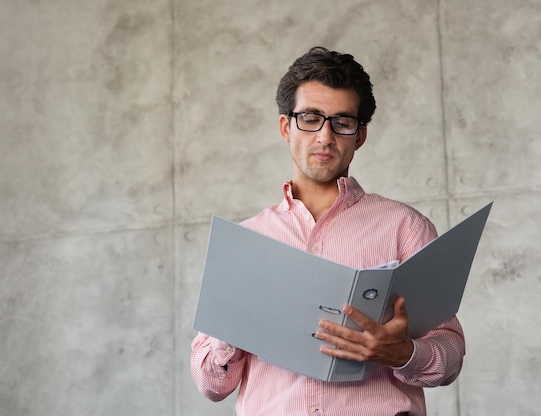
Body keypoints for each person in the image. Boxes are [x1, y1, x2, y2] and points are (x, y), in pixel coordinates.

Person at [190, 46, 465, 416]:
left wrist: (404, 354)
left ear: (360, 135)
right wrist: (233, 322)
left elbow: (449, 354)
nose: (325, 136)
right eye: (310, 118)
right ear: (286, 126)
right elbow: (211, 385)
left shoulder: (404, 227)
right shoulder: (245, 242)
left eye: (342, 121)